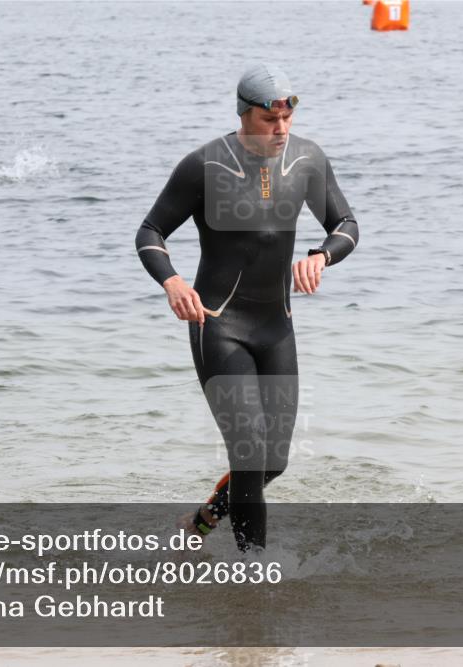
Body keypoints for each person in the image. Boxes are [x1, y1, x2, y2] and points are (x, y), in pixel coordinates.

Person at [135, 64, 359, 554]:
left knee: (271, 461)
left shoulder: (307, 161)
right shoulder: (204, 165)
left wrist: (322, 256)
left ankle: (201, 521)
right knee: (249, 448)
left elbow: (344, 223)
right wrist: (172, 281)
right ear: (244, 113)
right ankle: (252, 574)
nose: (281, 130)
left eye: (287, 118)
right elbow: (150, 232)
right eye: (268, 119)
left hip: (276, 326)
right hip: (218, 323)